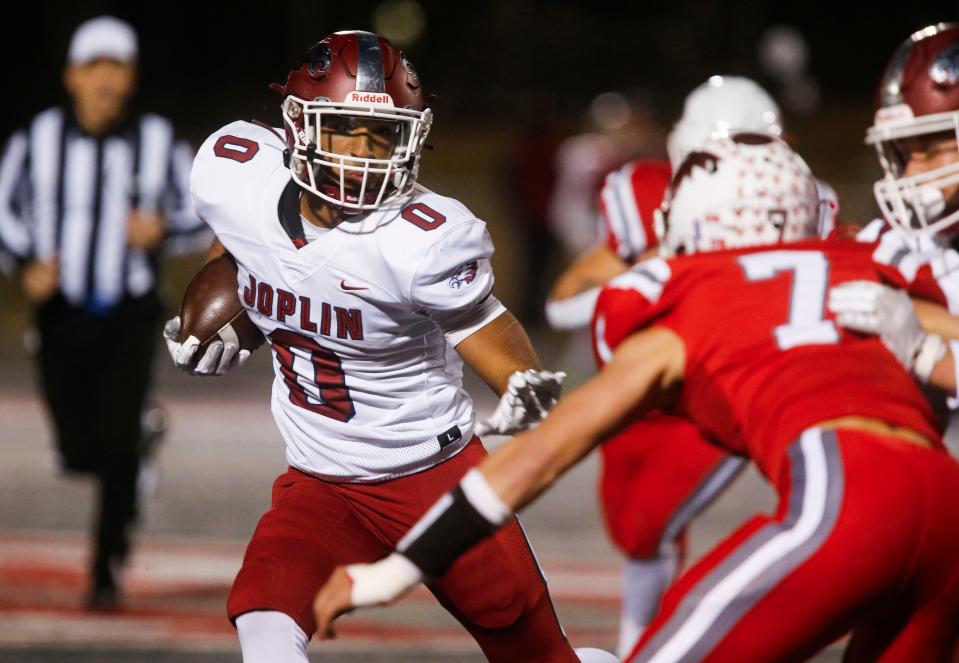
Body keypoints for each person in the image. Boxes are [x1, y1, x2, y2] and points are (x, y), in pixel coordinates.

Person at [313, 133, 959, 661]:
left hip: (844, 498)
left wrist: (395, 570)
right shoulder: (859, 270)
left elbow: (542, 453)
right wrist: (925, 351)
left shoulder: (692, 300)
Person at [163, 31, 613, 663]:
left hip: (432, 479)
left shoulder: (421, 240)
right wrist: (237, 320)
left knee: (538, 656)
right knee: (264, 622)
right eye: (347, 128)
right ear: (298, 125)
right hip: (319, 479)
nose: (366, 153)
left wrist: (526, 396)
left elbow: (503, 346)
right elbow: (242, 240)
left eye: (384, 135)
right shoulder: (237, 175)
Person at [545, 75, 836, 657]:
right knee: (644, 532)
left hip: (760, 382)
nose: (743, 169)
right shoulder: (646, 190)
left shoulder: (809, 198)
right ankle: (642, 645)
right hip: (671, 381)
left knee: (821, 514)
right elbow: (564, 301)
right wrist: (646, 276)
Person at [0, 15, 206, 608]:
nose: (106, 82)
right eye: (95, 68)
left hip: (131, 312)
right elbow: (4, 209)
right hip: (61, 313)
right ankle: (135, 445)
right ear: (72, 76)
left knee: (114, 445)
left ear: (131, 77)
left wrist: (163, 228)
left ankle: (106, 565)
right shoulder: (34, 138)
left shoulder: (158, 140)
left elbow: (204, 211)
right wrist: (23, 262)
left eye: (117, 68)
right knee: (75, 448)